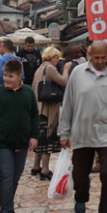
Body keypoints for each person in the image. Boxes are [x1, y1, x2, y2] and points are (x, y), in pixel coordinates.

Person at [59, 41, 107, 213]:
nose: (99, 61)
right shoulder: (77, 73)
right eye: (96, 58)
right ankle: (80, 200)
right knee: (80, 176)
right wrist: (64, 132)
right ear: (89, 55)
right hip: (83, 131)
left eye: (103, 58)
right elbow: (68, 103)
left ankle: (105, 209)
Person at [0, 59, 40, 213]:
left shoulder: (28, 93)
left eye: (11, 76)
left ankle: (6, 206)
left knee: (14, 177)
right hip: (1, 142)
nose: (6, 79)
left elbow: (34, 116)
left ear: (20, 76)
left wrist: (34, 136)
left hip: (21, 142)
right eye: (5, 75)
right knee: (6, 175)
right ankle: (7, 210)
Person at [31, 47, 71, 179]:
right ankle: (45, 169)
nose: (57, 60)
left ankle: (36, 166)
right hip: (47, 109)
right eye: (56, 57)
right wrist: (65, 70)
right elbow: (63, 81)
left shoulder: (40, 68)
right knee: (46, 140)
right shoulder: (50, 68)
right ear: (51, 57)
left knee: (40, 139)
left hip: (38, 108)